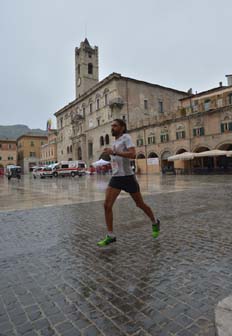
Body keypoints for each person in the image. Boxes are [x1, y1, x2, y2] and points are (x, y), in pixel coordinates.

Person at [97, 119, 160, 247]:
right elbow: (117, 158)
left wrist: (114, 152)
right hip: (116, 177)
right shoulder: (115, 142)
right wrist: (110, 153)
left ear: (122, 127)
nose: (112, 128)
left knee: (140, 204)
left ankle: (154, 222)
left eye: (115, 126)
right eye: (112, 126)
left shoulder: (126, 137)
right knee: (106, 205)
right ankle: (111, 235)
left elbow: (133, 154)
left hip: (127, 177)